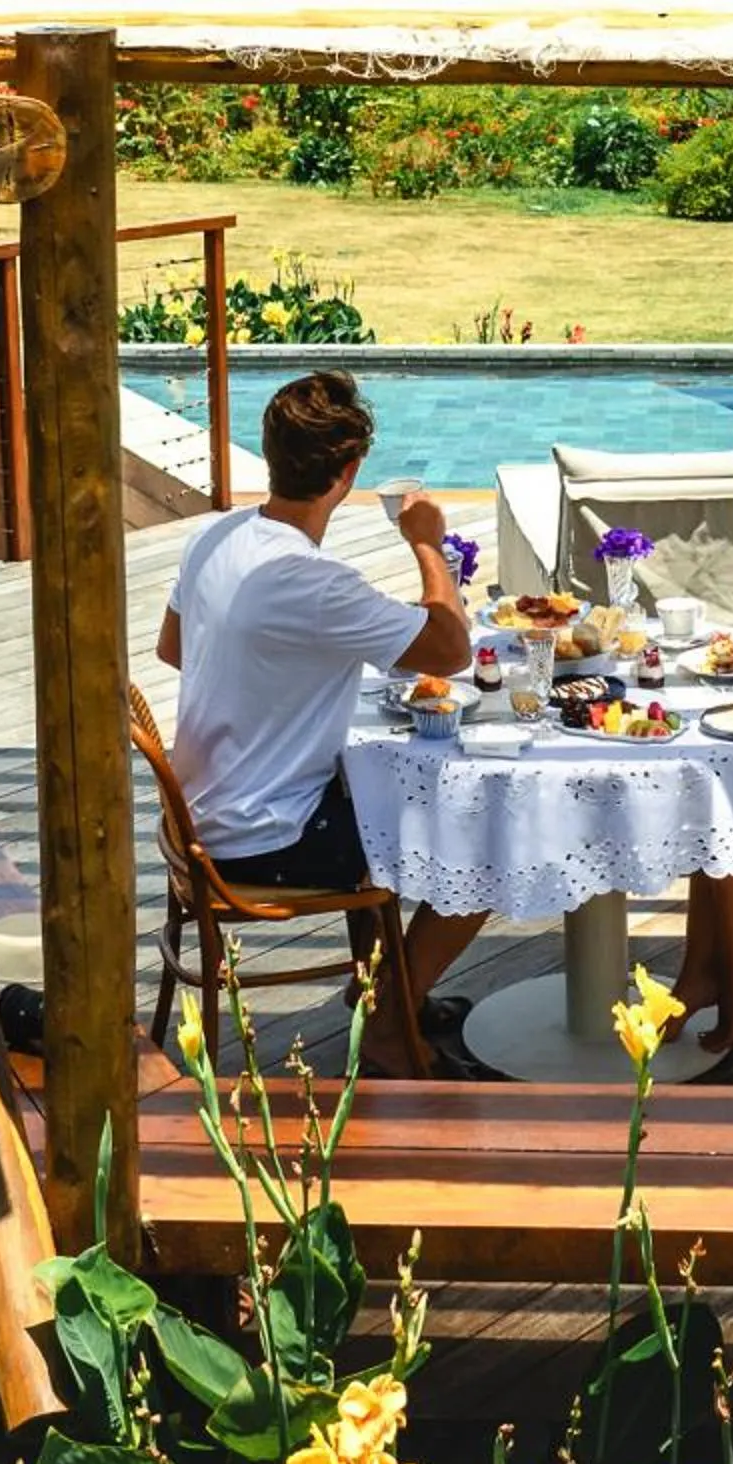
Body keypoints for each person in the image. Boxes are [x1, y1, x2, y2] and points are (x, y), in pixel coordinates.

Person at [156, 370, 485, 1075]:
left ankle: (386, 988)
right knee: (482, 838)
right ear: (350, 470)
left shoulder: (220, 538)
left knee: (378, 793)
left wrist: (274, 688)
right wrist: (426, 541)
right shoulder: (309, 582)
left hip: (203, 813)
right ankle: (395, 1023)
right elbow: (452, 651)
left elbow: (172, 649)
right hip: (260, 839)